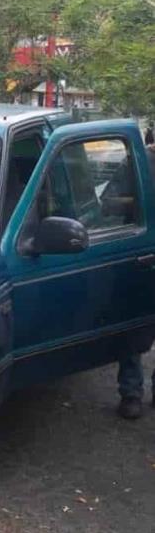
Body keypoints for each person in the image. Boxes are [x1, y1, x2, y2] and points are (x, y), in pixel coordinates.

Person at [117, 145, 155, 419]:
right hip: (141, 258)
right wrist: (138, 202)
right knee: (133, 328)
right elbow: (108, 203)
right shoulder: (137, 163)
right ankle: (131, 393)